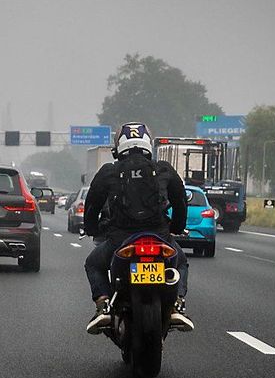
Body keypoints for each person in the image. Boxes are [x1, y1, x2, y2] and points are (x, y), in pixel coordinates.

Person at [82, 121, 194, 334]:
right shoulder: (163, 169)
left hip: (120, 240)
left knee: (93, 264)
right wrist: (177, 228)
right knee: (181, 263)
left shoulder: (109, 171)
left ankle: (103, 305)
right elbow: (180, 202)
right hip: (160, 236)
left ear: (118, 148)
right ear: (148, 145)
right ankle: (178, 303)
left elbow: (92, 204)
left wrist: (92, 229)